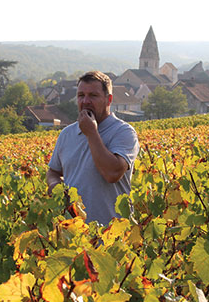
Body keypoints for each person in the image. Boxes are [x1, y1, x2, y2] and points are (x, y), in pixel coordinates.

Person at [46, 71, 139, 225]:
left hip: (110, 237)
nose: (86, 101)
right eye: (81, 95)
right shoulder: (67, 134)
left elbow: (112, 173)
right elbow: (53, 171)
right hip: (74, 235)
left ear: (108, 100)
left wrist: (91, 132)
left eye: (93, 96)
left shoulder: (123, 132)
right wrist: (55, 186)